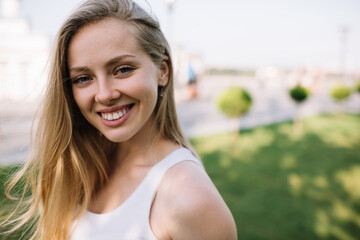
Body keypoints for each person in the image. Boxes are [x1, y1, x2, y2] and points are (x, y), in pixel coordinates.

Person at [2, 0, 237, 239]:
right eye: (83, 78)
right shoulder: (83, 163)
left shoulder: (190, 199)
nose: (104, 94)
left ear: (162, 71)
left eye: (122, 69)